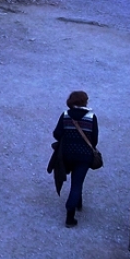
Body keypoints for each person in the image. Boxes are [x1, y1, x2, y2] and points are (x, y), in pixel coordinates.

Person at [52, 90, 99, 228]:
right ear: (84, 102)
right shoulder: (91, 117)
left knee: (75, 181)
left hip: (66, 155)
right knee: (77, 183)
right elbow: (94, 139)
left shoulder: (65, 115)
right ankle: (70, 216)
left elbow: (57, 133)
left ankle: (78, 202)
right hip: (84, 156)